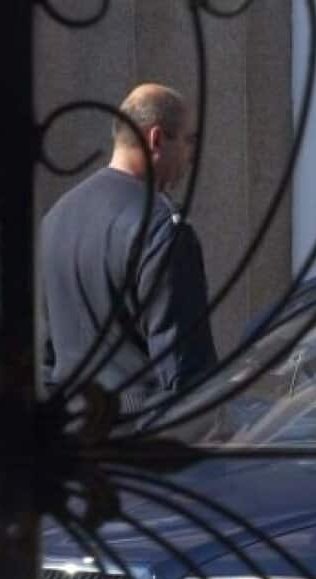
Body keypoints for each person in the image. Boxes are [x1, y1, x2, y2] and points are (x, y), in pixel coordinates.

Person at [40, 83, 216, 415]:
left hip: (69, 427)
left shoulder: (56, 219)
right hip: (140, 430)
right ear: (156, 139)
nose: (191, 156)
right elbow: (184, 369)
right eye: (189, 140)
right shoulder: (161, 227)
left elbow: (47, 353)